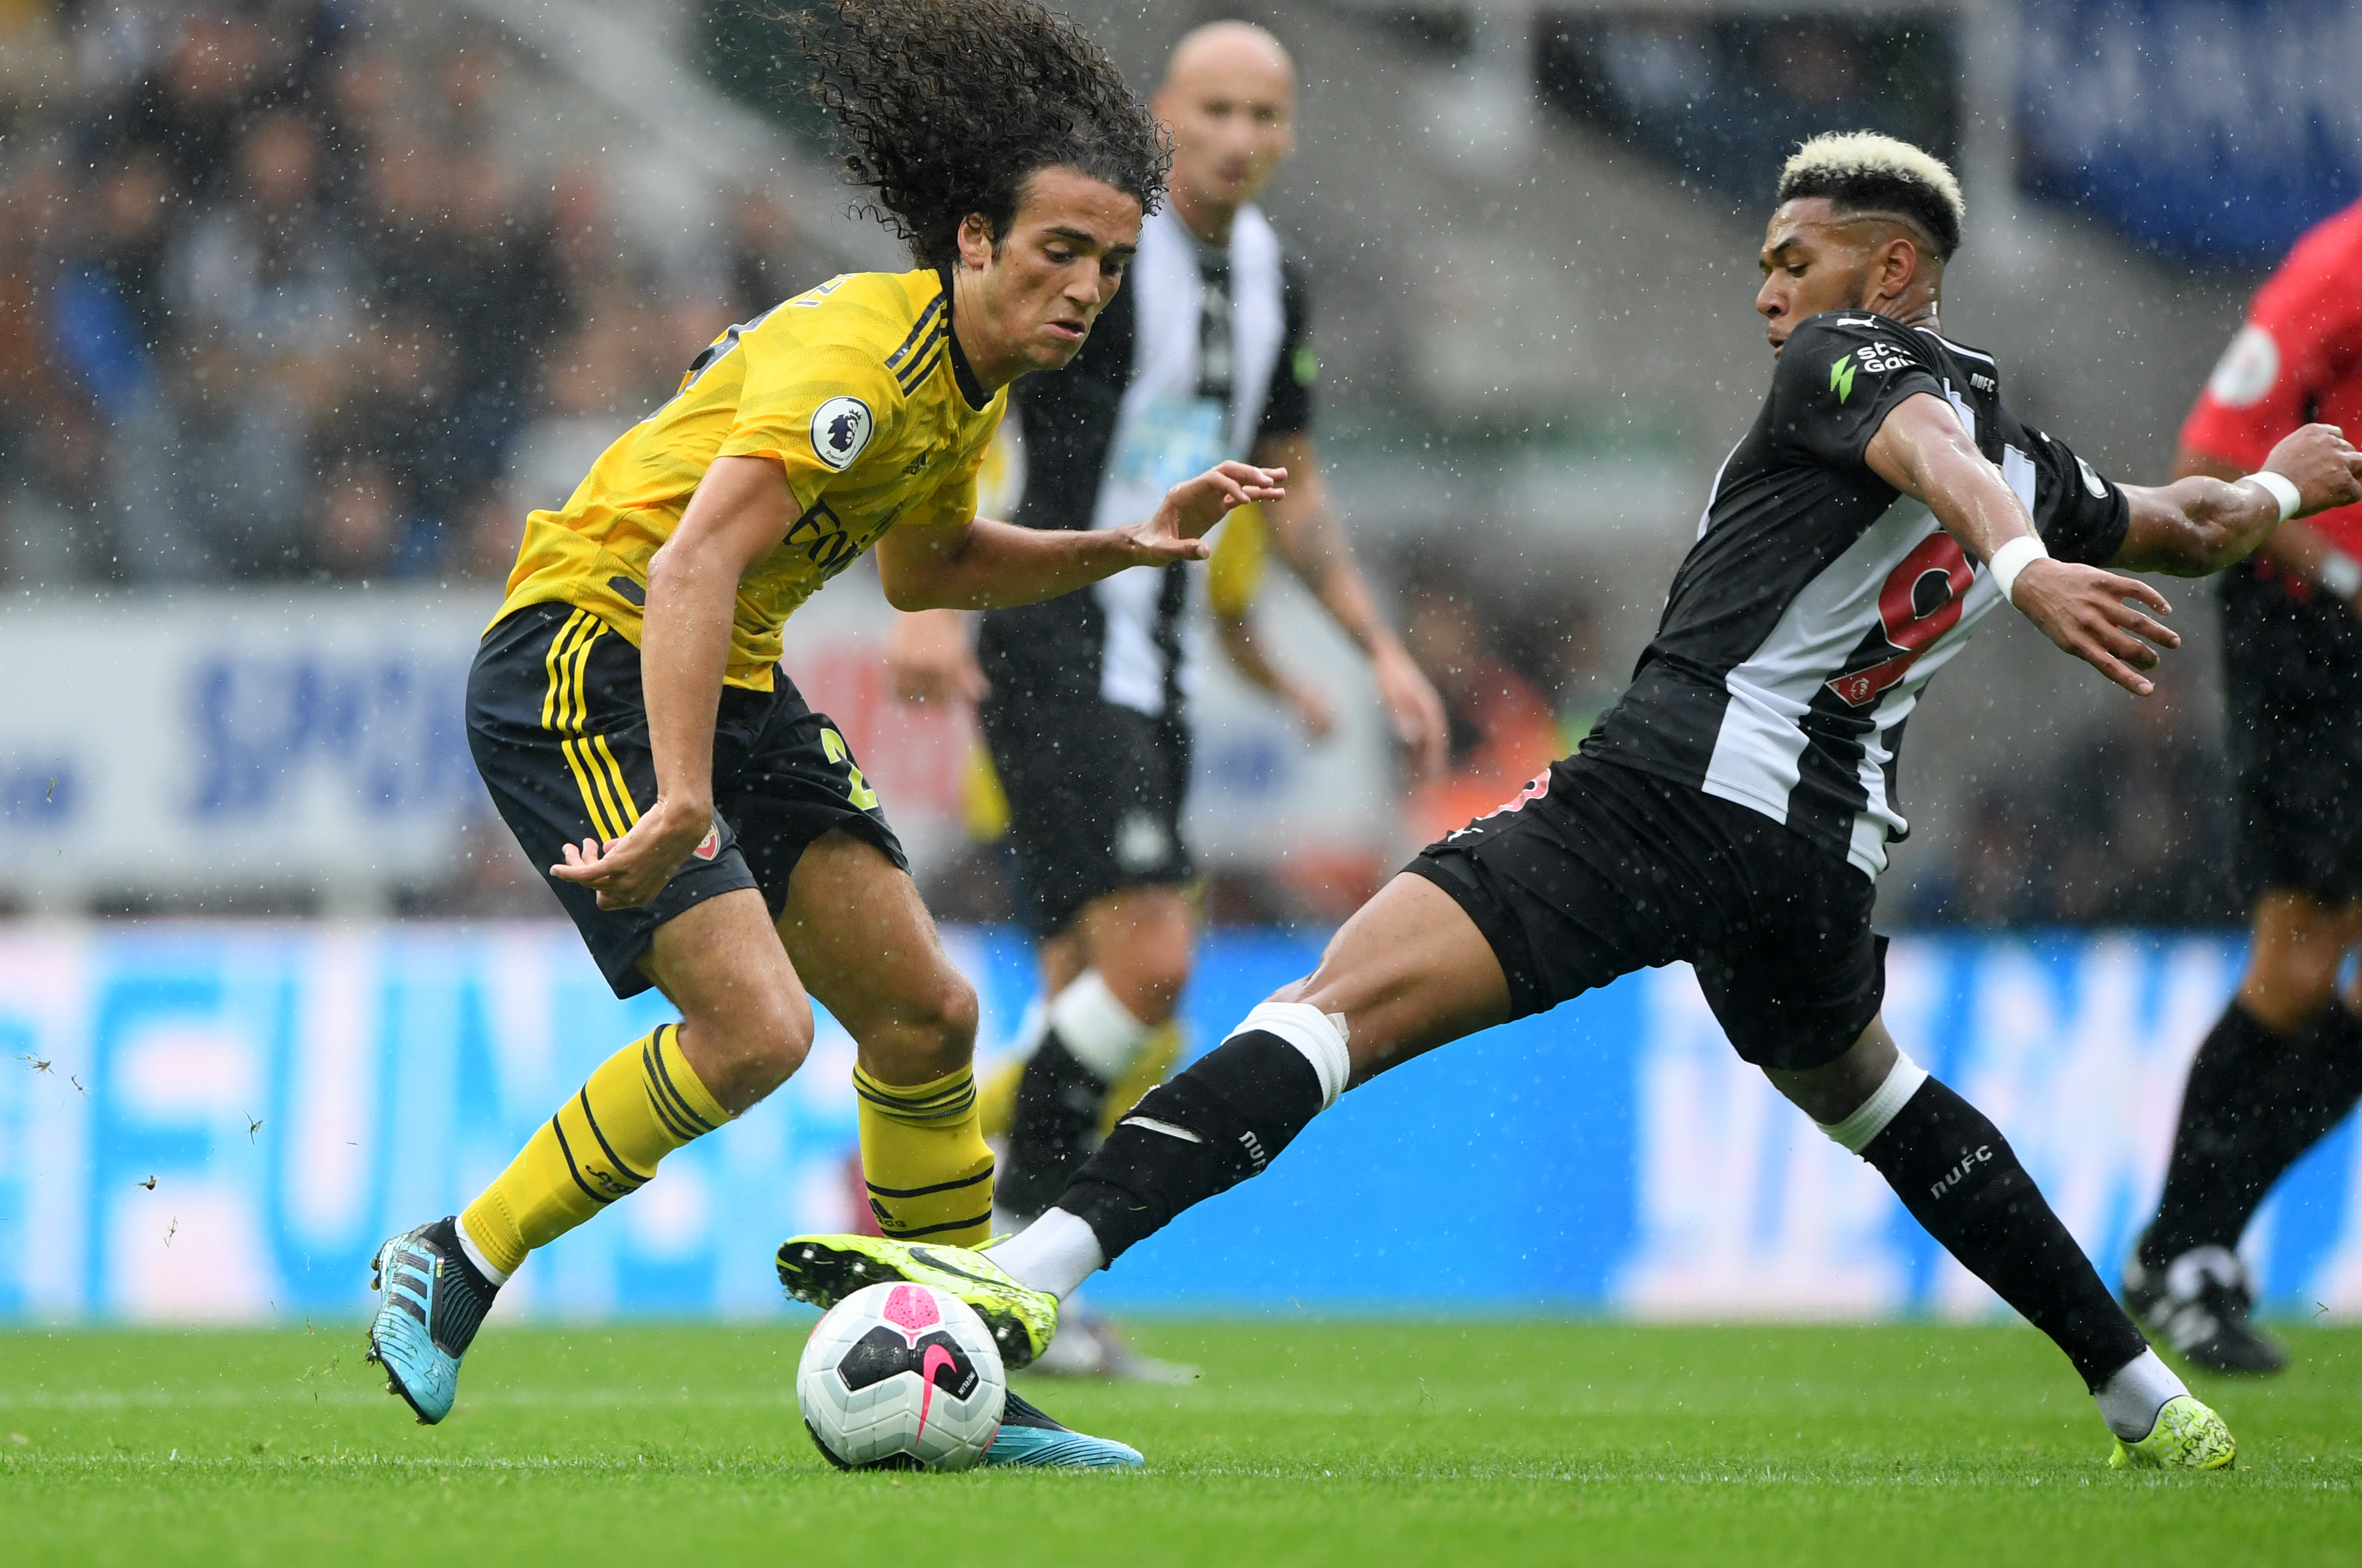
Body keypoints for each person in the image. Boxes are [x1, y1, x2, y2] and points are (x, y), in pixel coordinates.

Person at [778, 130, 2362, 1472]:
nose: (1767, 292)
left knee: (1334, 1011)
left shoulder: (1867, 369)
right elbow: (2198, 516)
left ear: (1889, 274)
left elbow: (1932, 450)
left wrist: (2018, 566)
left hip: (1664, 795)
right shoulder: (2033, 453)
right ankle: (2144, 1396)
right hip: (1815, 865)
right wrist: (2290, 487)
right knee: (1878, 1101)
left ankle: (1022, 1281)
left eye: (1793, 258)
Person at [363, 0, 1284, 1468]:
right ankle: (457, 1255)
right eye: (1059, 253)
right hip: (584, 652)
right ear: (974, 240)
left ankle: (965, 1372)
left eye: (1111, 267)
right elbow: (691, 563)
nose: (1084, 290)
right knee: (758, 1029)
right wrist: (676, 798)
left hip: (720, 672)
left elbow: (929, 567)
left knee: (928, 1013)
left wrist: (1122, 542)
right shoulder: (865, 365)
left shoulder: (963, 385)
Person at [885, 22, 1444, 1274]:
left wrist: (1377, 650)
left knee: (1097, 980)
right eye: (1217, 111)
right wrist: (924, 597)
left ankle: (979, 1248)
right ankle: (1011, 1243)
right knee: (1150, 965)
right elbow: (971, 399)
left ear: (1289, 131)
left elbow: (1290, 480)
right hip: (1048, 624)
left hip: (1156, 652)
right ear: (1163, 117)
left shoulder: (1273, 279)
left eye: (1265, 114)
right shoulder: (1095, 254)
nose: (1240, 138)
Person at [2123, 196, 2362, 1374]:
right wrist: (2341, 574)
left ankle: (2184, 1244)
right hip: (2313, 633)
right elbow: (2207, 463)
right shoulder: (2338, 265)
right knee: (2299, 955)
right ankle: (2183, 1248)